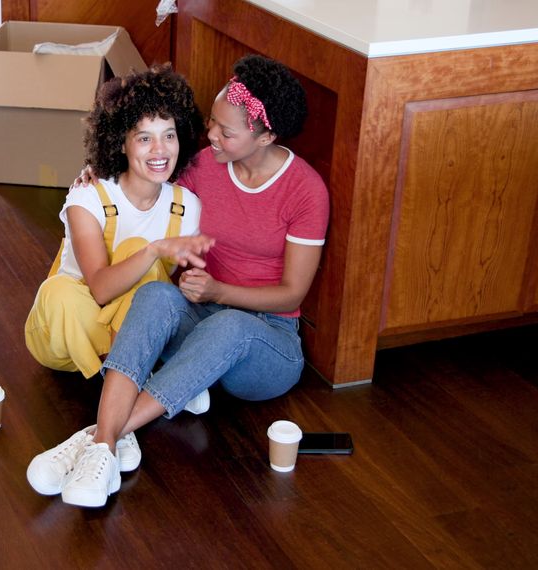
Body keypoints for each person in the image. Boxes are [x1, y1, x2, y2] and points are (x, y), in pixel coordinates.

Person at [27, 55, 330, 507]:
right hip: (201, 317)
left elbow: (293, 293)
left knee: (230, 325)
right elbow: (142, 164)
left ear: (265, 136)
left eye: (226, 132)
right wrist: (92, 176)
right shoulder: (206, 164)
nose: (210, 137)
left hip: (269, 337)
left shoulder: (305, 191)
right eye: (211, 122)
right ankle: (110, 444)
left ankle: (99, 438)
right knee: (153, 294)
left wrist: (219, 292)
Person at [24, 65, 214, 382]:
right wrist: (154, 251)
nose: (160, 150)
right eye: (144, 138)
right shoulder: (88, 197)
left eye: (169, 135)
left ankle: (119, 378)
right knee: (57, 291)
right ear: (121, 143)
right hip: (70, 330)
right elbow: (99, 289)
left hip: (133, 331)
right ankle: (140, 377)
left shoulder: (187, 208)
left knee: (147, 272)